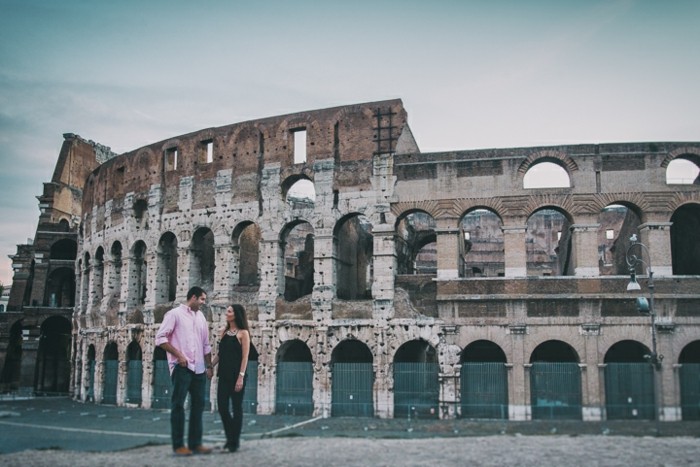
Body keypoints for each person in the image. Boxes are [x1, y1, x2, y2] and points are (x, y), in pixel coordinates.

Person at [155, 286, 213, 456]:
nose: (204, 302)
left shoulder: (201, 317)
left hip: (200, 368)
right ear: (193, 297)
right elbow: (160, 338)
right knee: (178, 405)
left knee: (198, 406)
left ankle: (195, 444)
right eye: (202, 299)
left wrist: (209, 366)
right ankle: (179, 445)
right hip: (182, 367)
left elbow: (205, 344)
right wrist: (178, 355)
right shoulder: (174, 314)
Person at [209, 304, 250, 453]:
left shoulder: (243, 333)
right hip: (224, 375)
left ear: (236, 314)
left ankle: (233, 442)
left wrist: (241, 377)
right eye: (227, 310)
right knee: (222, 407)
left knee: (237, 408)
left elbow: (245, 357)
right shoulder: (224, 332)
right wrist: (210, 366)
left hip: (237, 376)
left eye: (230, 311)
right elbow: (220, 354)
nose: (227, 312)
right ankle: (231, 437)